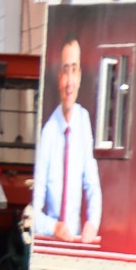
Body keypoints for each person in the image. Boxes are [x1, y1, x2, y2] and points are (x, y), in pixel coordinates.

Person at [31, 35, 102, 243]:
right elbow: (34, 208)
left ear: (79, 75)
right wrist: (53, 227)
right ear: (59, 76)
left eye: (74, 70)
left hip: (76, 240)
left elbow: (92, 184)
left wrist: (92, 223)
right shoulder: (49, 132)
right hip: (50, 239)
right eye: (65, 70)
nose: (69, 82)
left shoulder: (83, 121)